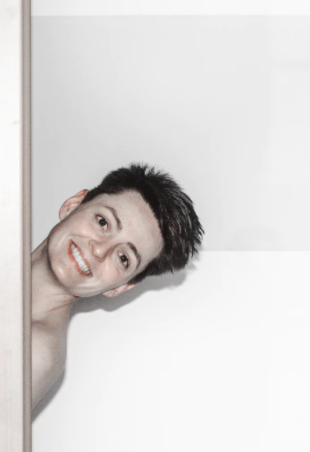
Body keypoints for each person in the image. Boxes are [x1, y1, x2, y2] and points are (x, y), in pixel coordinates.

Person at [31, 163, 204, 408]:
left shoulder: (36, 350)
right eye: (103, 222)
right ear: (73, 205)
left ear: (120, 287)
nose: (100, 250)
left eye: (123, 258)